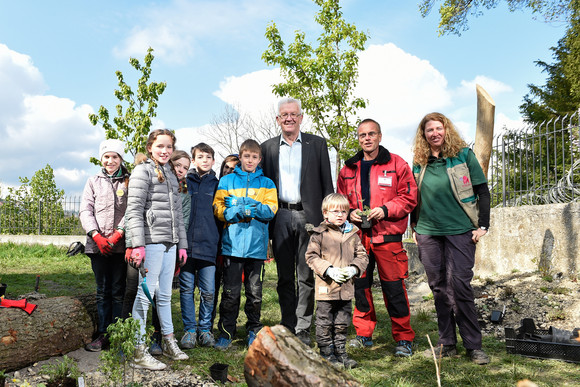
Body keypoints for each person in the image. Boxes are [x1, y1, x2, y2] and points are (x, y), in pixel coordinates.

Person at [411, 112, 491, 365]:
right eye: (429, 130)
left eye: (438, 128)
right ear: (423, 135)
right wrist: (414, 226)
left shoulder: (464, 156)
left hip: (460, 230)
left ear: (446, 129)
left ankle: (473, 345)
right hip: (428, 232)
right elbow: (413, 197)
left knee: (460, 286)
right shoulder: (419, 162)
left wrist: (484, 225)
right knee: (438, 288)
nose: (434, 133)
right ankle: (447, 343)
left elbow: (482, 191)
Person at [337, 118, 418, 357]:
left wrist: (386, 209)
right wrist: (349, 212)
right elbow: (340, 200)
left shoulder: (397, 164)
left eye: (372, 134)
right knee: (360, 288)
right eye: (363, 135)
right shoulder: (348, 169)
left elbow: (409, 196)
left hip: (387, 238)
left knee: (394, 289)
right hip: (358, 239)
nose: (367, 138)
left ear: (380, 137)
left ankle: (404, 338)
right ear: (359, 139)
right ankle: (363, 334)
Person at [261, 97, 334, 345]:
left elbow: (327, 183)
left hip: (309, 216)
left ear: (301, 117)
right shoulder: (267, 147)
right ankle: (287, 324)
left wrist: (328, 220)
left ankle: (303, 326)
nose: (289, 118)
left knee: (305, 275)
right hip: (279, 215)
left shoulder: (317, 144)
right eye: (284, 115)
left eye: (293, 114)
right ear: (278, 120)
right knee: (283, 276)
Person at [125, 129, 189, 370]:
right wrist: (137, 244)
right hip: (150, 242)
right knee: (145, 295)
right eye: (160, 146)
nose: (165, 151)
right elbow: (134, 210)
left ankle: (169, 342)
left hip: (170, 243)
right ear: (150, 147)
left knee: (164, 295)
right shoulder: (142, 171)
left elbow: (179, 216)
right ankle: (138, 350)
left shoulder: (172, 173)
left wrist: (181, 245)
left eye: (169, 147)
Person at [212, 139, 278, 350]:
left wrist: (248, 205)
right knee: (230, 294)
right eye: (246, 156)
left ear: (260, 159)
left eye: (254, 157)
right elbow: (219, 209)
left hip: (256, 248)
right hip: (232, 246)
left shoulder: (267, 183)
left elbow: (270, 211)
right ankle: (226, 332)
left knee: (255, 294)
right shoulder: (227, 181)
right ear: (240, 157)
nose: (250, 160)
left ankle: (253, 330)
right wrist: (236, 211)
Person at [305, 193, 368, 369]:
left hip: (346, 288)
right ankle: (326, 354)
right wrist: (328, 270)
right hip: (326, 288)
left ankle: (341, 353)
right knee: (324, 322)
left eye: (343, 211)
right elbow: (311, 256)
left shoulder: (353, 235)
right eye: (335, 211)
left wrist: (354, 268)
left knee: (342, 322)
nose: (339, 215)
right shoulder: (319, 234)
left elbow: (363, 256)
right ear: (325, 213)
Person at [80, 139, 129, 352]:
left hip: (120, 246)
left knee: (118, 290)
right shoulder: (93, 181)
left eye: (115, 156)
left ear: (121, 159)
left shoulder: (129, 181)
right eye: (107, 156)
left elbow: (133, 209)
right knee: (102, 291)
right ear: (101, 159)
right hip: (97, 246)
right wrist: (96, 236)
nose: (110, 160)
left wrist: (119, 233)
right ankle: (103, 333)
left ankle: (117, 334)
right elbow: (85, 210)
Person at [179, 143, 220, 349]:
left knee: (209, 291)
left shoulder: (217, 184)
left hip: (209, 246)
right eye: (200, 157)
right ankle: (189, 330)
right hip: (186, 246)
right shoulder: (185, 182)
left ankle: (205, 330)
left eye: (208, 157)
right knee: (186, 289)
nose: (205, 160)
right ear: (193, 161)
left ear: (213, 161)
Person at [211, 154, 240, 331]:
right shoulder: (214, 185)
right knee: (211, 286)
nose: (228, 171)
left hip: (232, 243)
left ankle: (228, 324)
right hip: (214, 242)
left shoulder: (238, 188)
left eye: (233, 168)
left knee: (230, 289)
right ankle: (208, 324)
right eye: (226, 167)